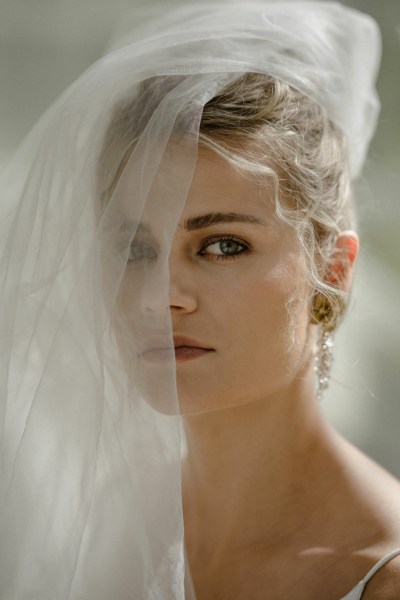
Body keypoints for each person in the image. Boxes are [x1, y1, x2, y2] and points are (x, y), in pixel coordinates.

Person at [0, 1, 399, 599]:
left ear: (333, 269)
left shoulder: (381, 574)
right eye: (134, 249)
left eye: (224, 245)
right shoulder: (120, 512)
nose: (158, 298)